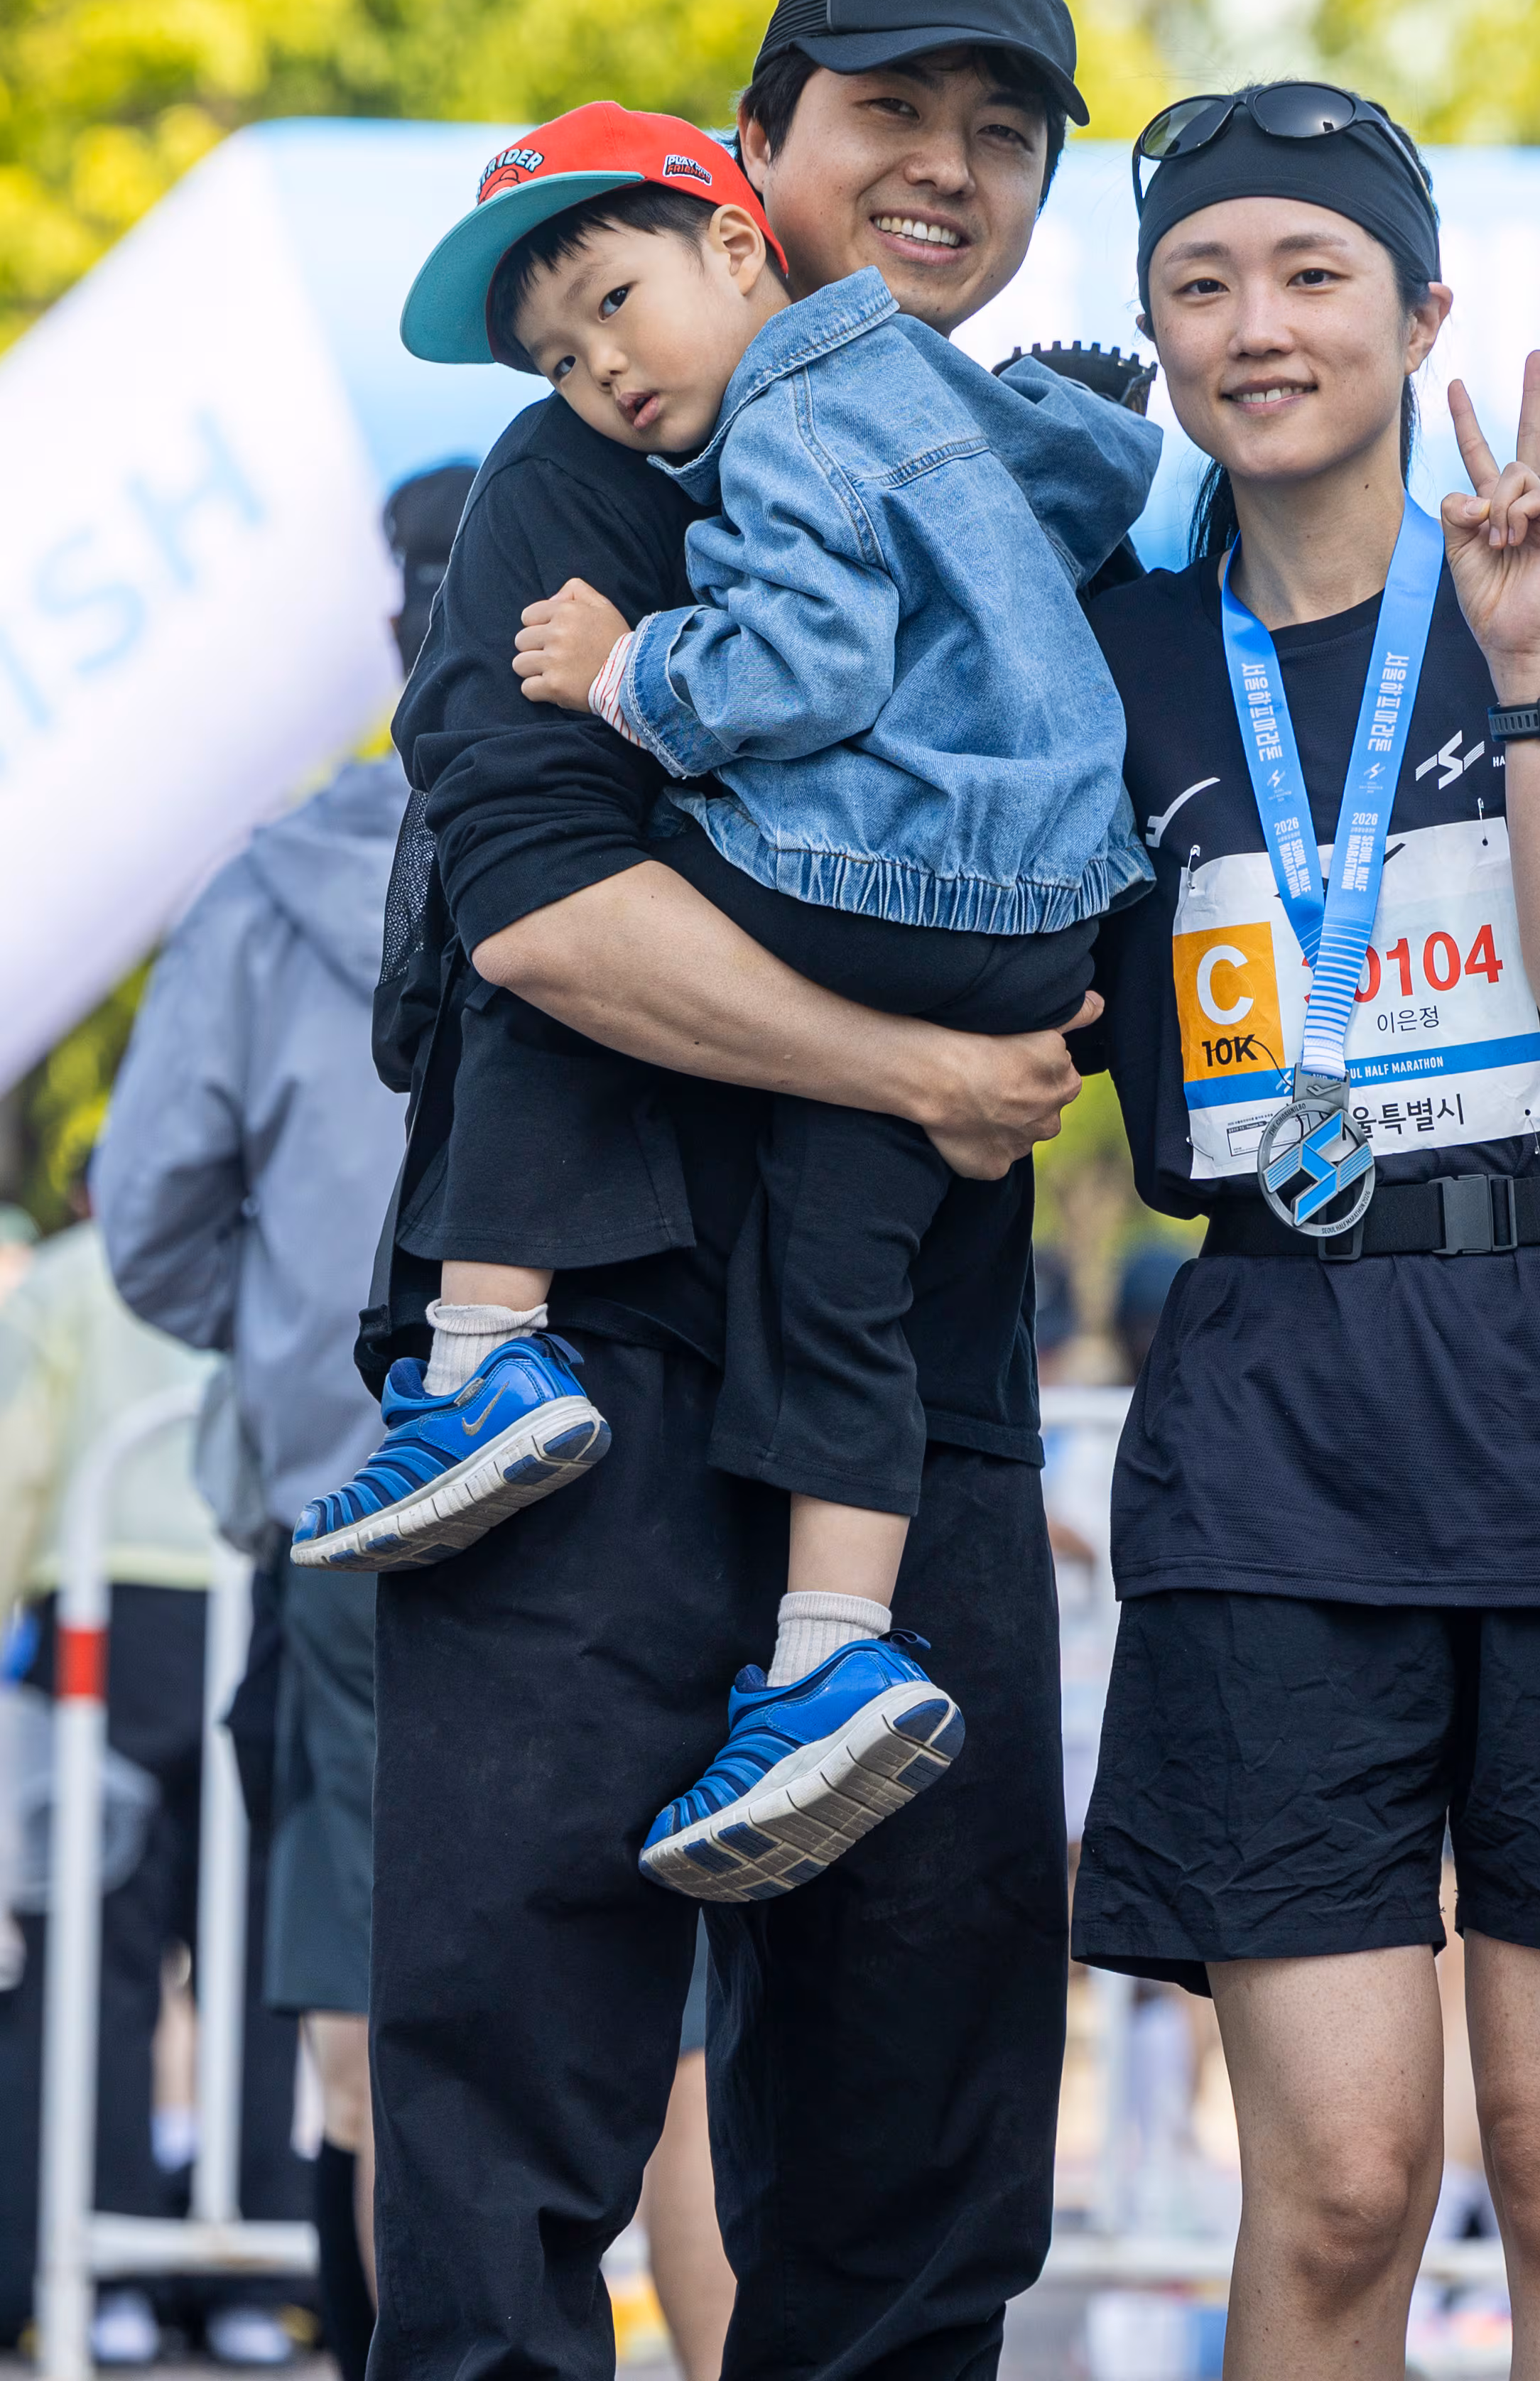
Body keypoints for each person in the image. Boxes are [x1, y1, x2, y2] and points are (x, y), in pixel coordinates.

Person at [357, 0, 1110, 2370]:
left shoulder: (1031, 505)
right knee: (510, 2107)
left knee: (919, 2132)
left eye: (1006, 138)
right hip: (589, 1376)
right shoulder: (557, 474)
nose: (948, 171)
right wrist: (913, 1073)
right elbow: (553, 930)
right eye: (892, 115)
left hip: (916, 1398)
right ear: (747, 156)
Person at [1070, 80, 1540, 2381]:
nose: (1256, 327)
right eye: (1202, 283)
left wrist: (1532, 668)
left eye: (1311, 276)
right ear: (1157, 333)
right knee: (1347, 2177)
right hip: (1276, 1394)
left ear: (1422, 312)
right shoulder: (1113, 650)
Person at [310, 94, 1160, 1905]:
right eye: (554, 353)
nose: (593, 369)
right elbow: (1081, 478)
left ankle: (484, 1359)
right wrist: (1098, 405)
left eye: (612, 302)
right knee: (837, 1264)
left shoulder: (790, 400)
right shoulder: (938, 390)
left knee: (558, 928)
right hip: (1030, 911)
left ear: (737, 237)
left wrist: (628, 672)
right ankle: (836, 1645)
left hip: (884, 871)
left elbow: (809, 655)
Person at [91, 465, 469, 2374]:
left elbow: (147, 1208)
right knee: (649, 2038)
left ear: (390, 639)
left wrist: (290, 1346)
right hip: (633, 1495)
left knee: (359, 2038)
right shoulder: (667, 843)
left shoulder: (264, 886)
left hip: (350, 1496)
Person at [0, 1205, 305, 2365]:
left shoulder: (73, 1279)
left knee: (95, 1959)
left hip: (102, 1621)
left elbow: (14, 1461)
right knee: (262, 1959)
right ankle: (252, 2279)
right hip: (269, 1598)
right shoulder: (280, 1257)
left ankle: (95, 2269)